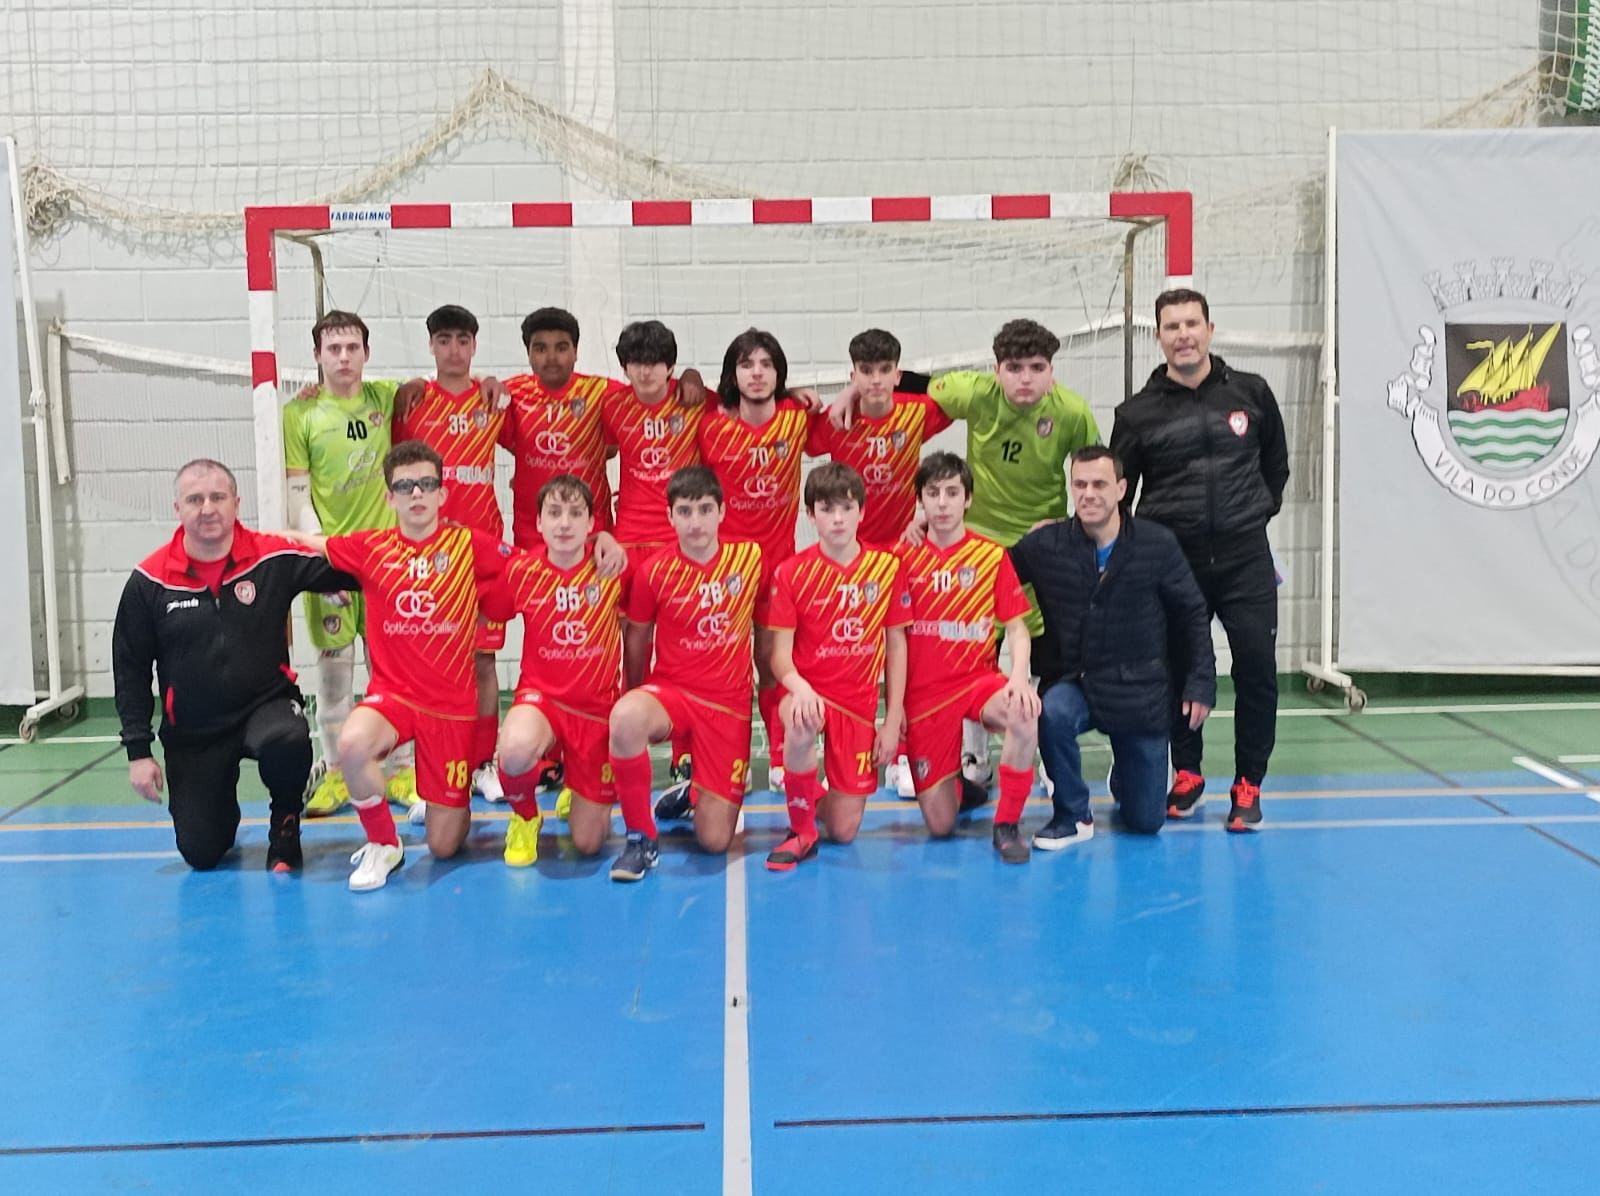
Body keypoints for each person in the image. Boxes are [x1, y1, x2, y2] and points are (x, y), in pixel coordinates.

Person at [830, 318, 1098, 789]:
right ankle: (974, 759)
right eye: (1014, 368)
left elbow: (1095, 474)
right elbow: (907, 383)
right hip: (979, 547)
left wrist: (1070, 525)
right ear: (996, 370)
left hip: (1045, 547)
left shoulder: (1072, 412)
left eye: (1037, 368)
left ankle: (1049, 758)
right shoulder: (973, 392)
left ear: (1052, 371)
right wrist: (857, 391)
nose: (1025, 379)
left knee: (1050, 657)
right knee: (972, 658)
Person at [281, 440, 514, 891]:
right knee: (352, 744)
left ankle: (442, 795)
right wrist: (236, 537)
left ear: (443, 493)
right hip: (395, 698)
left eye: (426, 484)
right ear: (390, 497)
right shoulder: (373, 547)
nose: (417, 493)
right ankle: (384, 843)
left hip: (451, 709)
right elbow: (308, 543)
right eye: (405, 486)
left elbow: (536, 566)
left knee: (444, 845)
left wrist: (599, 545)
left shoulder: (470, 545)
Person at [112, 459, 358, 872]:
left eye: (217, 497)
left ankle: (285, 825)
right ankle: (219, 813)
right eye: (195, 499)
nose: (207, 508)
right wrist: (139, 753)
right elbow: (130, 670)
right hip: (194, 730)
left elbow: (358, 566)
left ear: (236, 503)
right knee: (202, 852)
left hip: (266, 706)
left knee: (288, 741)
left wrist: (418, 549)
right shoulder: (150, 581)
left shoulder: (271, 556)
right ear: (177, 508)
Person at [1109, 288, 1289, 831]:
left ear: (1210, 329)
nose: (1183, 334)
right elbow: (1120, 492)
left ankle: (1249, 782)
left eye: (1192, 323)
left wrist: (1251, 515)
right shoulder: (1136, 413)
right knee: (1176, 670)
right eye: (1172, 326)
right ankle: (1187, 772)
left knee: (1256, 668)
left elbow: (1276, 467)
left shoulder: (1252, 393)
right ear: (1159, 336)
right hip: (1174, 564)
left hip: (1244, 560)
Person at [1010, 447, 1216, 848]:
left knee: (1146, 821)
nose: (1088, 494)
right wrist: (935, 530)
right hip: (1078, 683)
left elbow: (1192, 613)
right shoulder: (1047, 544)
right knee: (1052, 711)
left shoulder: (1157, 545)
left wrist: (1201, 682)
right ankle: (1073, 814)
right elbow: (992, 570)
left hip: (1140, 693)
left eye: (1100, 484)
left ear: (1121, 489)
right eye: (1080, 484)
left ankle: (1127, 772)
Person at [606, 466, 762, 882]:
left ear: (722, 512)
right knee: (625, 718)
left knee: (714, 840)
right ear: (670, 516)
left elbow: (769, 629)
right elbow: (637, 642)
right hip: (673, 693)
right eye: (685, 511)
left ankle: (692, 791)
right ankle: (640, 839)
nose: (696, 522)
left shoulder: (750, 559)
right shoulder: (653, 572)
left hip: (727, 706)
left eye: (705, 510)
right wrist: (634, 699)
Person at [390, 304, 509, 799]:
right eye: (444, 340)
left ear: (474, 345)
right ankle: (434, 770)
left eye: (463, 340)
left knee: (483, 663)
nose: (454, 350)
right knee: (433, 666)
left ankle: (483, 763)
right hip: (429, 558)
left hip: (483, 554)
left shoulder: (495, 401)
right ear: (431, 346)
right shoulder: (411, 403)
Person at [764, 463, 909, 871]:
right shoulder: (791, 572)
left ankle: (804, 793)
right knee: (800, 721)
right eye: (827, 509)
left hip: (858, 705)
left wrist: (891, 719)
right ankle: (801, 831)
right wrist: (801, 688)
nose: (838, 519)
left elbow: (896, 645)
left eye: (846, 508)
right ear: (811, 515)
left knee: (844, 831)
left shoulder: (886, 568)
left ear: (862, 511)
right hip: (808, 693)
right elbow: (779, 656)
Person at [897, 452, 1040, 863]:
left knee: (1024, 714)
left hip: (978, 682)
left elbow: (1017, 628)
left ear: (968, 499)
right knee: (941, 826)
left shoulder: (991, 556)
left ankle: (1006, 824)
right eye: (933, 493)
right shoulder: (902, 557)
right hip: (924, 697)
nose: (942, 503)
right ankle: (962, 786)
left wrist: (1018, 678)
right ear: (920, 501)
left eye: (952, 492)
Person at [695, 328, 816, 794]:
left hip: (779, 570)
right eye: (747, 364)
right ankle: (731, 761)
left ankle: (782, 755)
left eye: (766, 364)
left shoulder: (797, 419)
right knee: (726, 673)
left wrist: (843, 391)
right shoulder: (710, 426)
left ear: (779, 373)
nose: (757, 373)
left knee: (773, 667)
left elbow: (849, 417)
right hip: (725, 572)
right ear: (733, 374)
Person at [495, 474, 623, 865]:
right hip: (543, 700)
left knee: (588, 843)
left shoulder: (613, 567)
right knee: (514, 749)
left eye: (575, 513)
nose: (564, 523)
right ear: (538, 522)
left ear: (591, 523)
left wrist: (610, 540)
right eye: (554, 513)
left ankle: (578, 784)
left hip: (596, 710)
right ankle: (525, 816)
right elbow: (487, 610)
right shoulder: (521, 570)